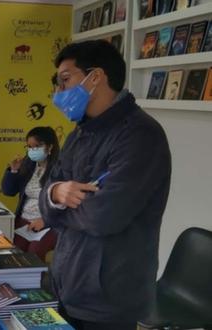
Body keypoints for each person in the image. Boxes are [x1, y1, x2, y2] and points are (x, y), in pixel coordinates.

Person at [41, 40, 171, 330]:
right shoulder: (78, 135)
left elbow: (103, 217)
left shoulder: (141, 135)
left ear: (96, 77)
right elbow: (47, 197)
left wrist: (60, 205)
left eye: (65, 81)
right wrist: (56, 193)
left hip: (109, 297)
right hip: (68, 284)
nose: (58, 93)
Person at [0, 126, 60, 261]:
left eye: (36, 146)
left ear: (50, 147)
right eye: (29, 147)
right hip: (24, 221)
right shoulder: (28, 164)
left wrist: (45, 220)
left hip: (48, 224)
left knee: (34, 253)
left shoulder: (60, 169)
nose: (32, 150)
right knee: (13, 251)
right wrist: (14, 171)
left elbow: (65, 204)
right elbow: (8, 191)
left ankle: (35, 282)